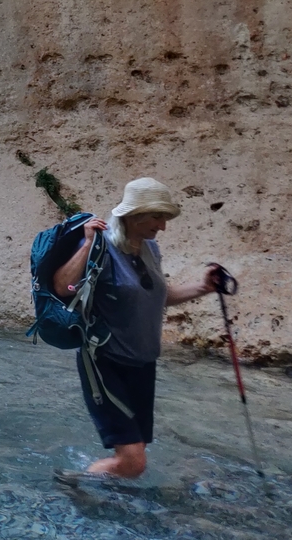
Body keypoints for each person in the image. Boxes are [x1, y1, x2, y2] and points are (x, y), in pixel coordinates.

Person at [53, 177, 221, 480]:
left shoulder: (150, 250)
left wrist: (203, 287)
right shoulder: (100, 249)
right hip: (106, 362)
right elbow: (63, 287)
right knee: (133, 461)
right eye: (157, 216)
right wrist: (88, 243)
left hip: (143, 364)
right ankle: (71, 482)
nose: (163, 225)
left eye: (164, 217)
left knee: (135, 453)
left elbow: (158, 297)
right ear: (134, 214)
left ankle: (101, 489)